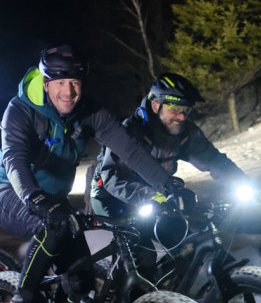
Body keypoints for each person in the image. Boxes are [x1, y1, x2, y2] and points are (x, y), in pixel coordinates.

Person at [0, 44, 175, 303]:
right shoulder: (20, 110)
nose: (68, 92)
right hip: (11, 193)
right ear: (46, 82)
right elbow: (14, 158)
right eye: (60, 83)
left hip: (55, 201)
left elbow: (129, 149)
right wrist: (35, 198)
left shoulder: (89, 112)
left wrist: (168, 185)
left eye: (74, 83)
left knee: (82, 280)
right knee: (54, 226)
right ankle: (21, 301)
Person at [90, 73, 247, 276]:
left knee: (179, 240)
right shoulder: (130, 131)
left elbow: (215, 161)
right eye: (175, 109)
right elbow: (113, 180)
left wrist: (245, 183)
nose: (182, 117)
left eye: (186, 111)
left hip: (159, 194)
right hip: (111, 197)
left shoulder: (184, 133)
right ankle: (132, 301)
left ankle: (172, 297)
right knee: (138, 255)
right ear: (156, 106)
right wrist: (157, 197)